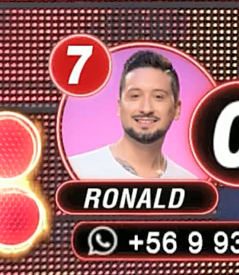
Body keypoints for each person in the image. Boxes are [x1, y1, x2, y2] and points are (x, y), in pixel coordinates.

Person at [66, 50, 198, 180]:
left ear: (177, 109)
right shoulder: (77, 171)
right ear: (119, 106)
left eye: (158, 97)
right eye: (135, 96)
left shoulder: (189, 183)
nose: (146, 109)